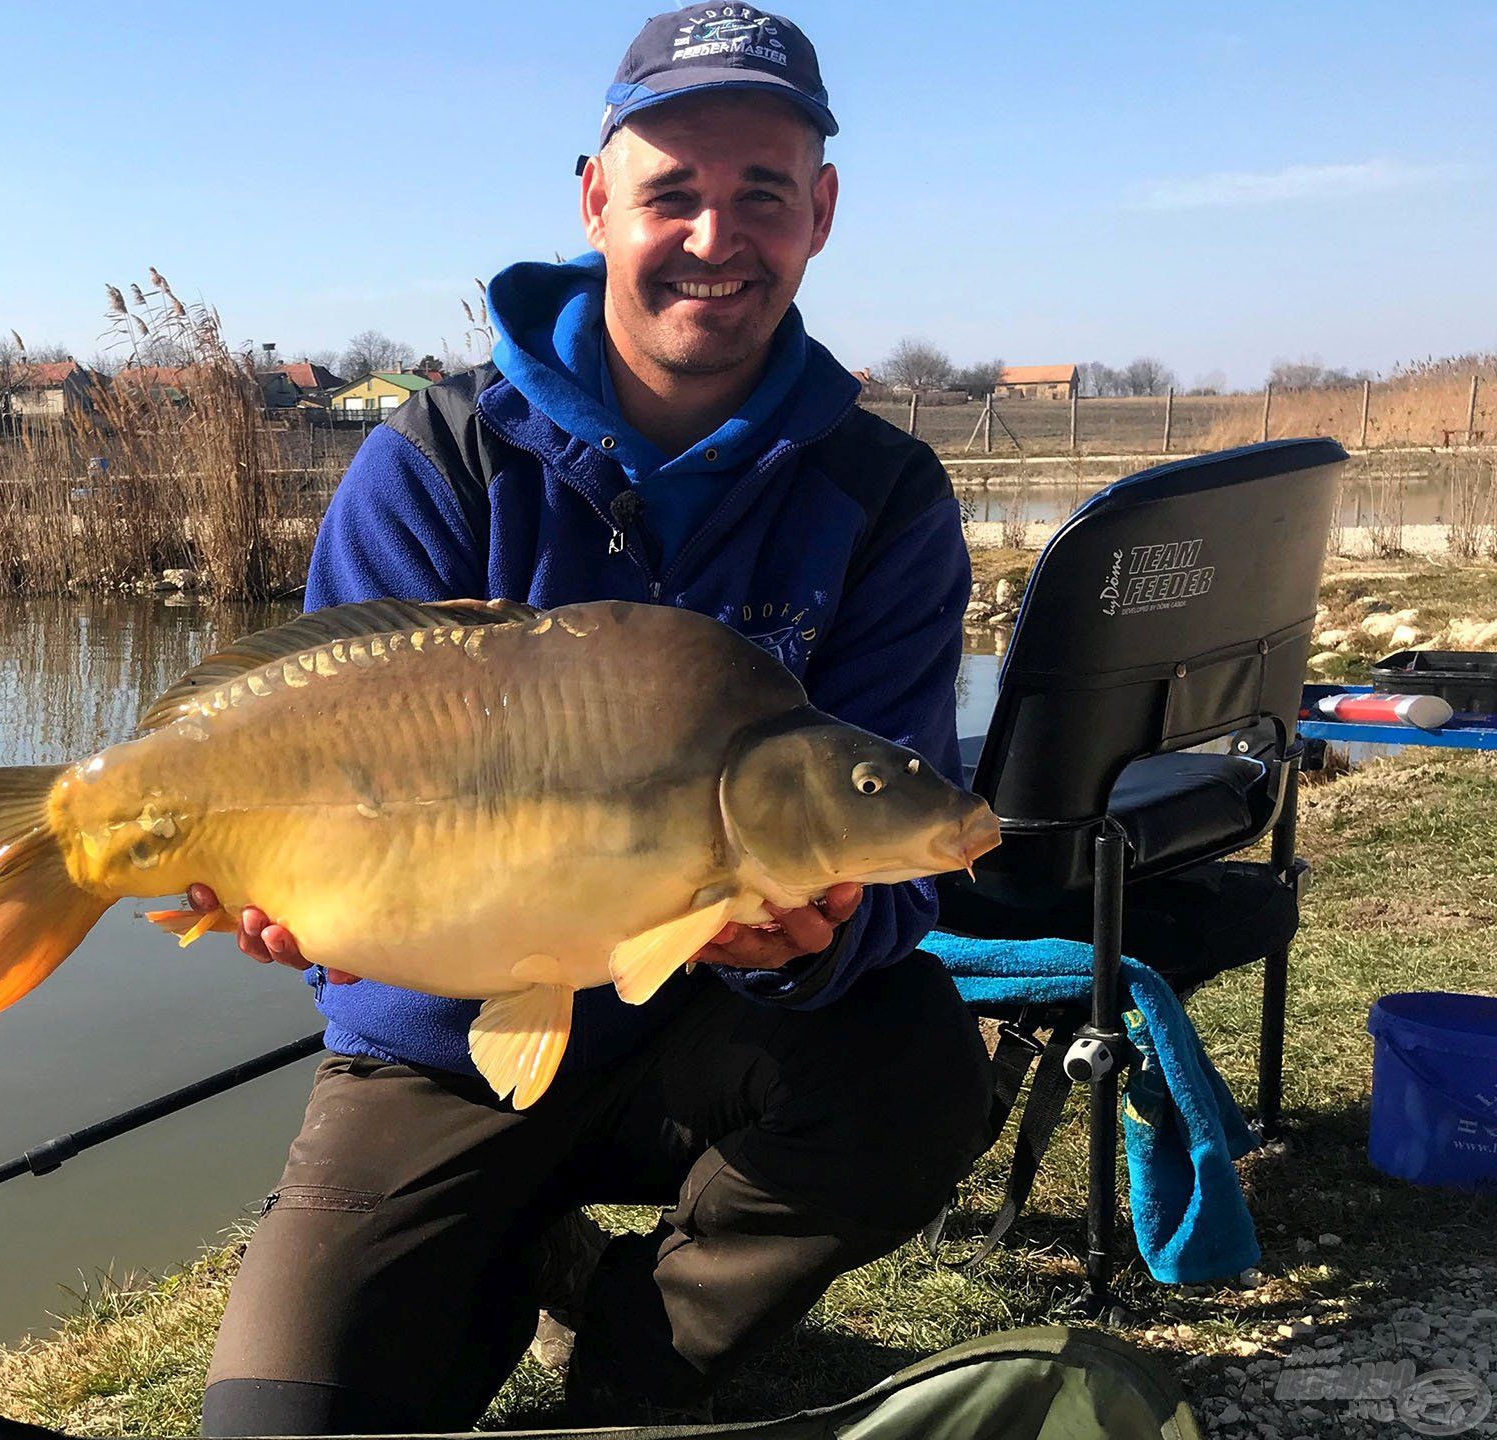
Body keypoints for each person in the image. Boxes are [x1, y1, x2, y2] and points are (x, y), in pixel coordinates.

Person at [200, 7, 992, 1434]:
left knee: (920, 1065)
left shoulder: (883, 496)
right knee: (284, 1424)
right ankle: (511, 1236)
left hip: (715, 1030)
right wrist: (288, 895)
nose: (714, 235)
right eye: (671, 191)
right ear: (594, 201)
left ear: (819, 211)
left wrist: (824, 941)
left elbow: (904, 827)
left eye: (762, 192)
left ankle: (641, 1351)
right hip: (443, 1041)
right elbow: (324, 780)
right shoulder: (438, 458)